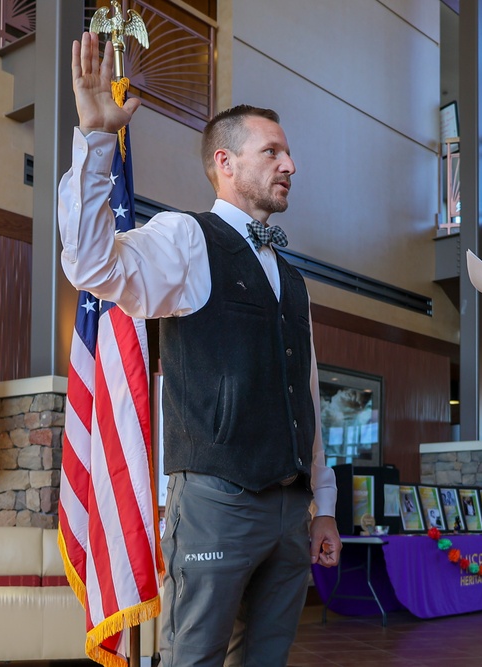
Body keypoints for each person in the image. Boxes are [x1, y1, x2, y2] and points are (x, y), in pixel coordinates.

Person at [58, 32, 342, 667]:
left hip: (291, 512)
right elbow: (90, 263)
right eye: (272, 152)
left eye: (289, 154)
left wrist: (323, 509)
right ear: (226, 162)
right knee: (196, 658)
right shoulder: (186, 239)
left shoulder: (292, 278)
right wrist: (99, 140)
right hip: (218, 503)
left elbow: (309, 401)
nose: (289, 165)